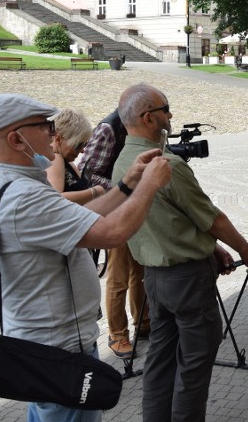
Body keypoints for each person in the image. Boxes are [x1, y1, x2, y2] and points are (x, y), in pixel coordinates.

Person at [0, 93, 171, 422]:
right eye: (44, 126)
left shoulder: (11, 183)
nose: (53, 135)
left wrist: (126, 185)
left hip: (42, 345)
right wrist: (149, 185)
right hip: (58, 349)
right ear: (15, 138)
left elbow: (79, 218)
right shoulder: (21, 196)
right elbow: (111, 233)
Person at [112, 83, 248, 421]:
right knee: (194, 364)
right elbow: (212, 218)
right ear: (149, 118)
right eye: (166, 109)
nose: (171, 115)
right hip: (186, 281)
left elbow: (174, 221)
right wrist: (246, 249)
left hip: (155, 279)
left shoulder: (124, 160)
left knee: (160, 361)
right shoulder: (167, 165)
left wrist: (213, 250)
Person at [78, 108, 148, 359]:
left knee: (140, 270)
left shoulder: (145, 127)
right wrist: (123, 186)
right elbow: (87, 172)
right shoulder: (109, 128)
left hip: (135, 207)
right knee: (118, 276)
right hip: (114, 209)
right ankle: (117, 334)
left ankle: (144, 322)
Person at [45, 108, 105, 204]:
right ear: (58, 139)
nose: (82, 151)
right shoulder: (56, 159)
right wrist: (95, 192)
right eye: (78, 145)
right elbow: (54, 199)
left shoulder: (65, 161)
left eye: (84, 144)